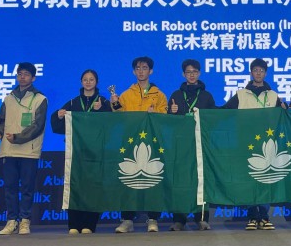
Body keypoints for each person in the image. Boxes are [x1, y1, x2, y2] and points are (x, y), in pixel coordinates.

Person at [222, 58, 287, 230]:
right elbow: (223, 112)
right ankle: (252, 216)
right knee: (249, 179)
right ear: (251, 72)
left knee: (266, 178)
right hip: (246, 143)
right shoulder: (241, 94)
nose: (258, 73)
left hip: (267, 143)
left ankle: (264, 216)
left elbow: (283, 114)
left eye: (261, 70)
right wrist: (201, 111)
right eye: (255, 70)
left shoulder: (273, 95)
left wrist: (290, 109)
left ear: (265, 73)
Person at [51, 69, 112, 235]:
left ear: (96, 82)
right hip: (76, 153)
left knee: (93, 187)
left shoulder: (104, 102)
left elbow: (111, 125)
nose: (88, 82)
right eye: (85, 79)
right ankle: (73, 224)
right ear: (81, 82)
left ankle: (89, 224)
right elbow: (57, 125)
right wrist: (59, 115)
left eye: (91, 79)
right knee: (75, 186)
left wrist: (101, 110)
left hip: (96, 153)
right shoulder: (72, 103)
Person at [112, 56, 167, 233]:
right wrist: (114, 104)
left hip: (152, 144)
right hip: (130, 143)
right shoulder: (126, 95)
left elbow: (164, 119)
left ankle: (153, 218)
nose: (141, 71)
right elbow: (119, 118)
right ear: (134, 71)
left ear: (151, 71)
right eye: (138, 68)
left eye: (144, 68)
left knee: (154, 181)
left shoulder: (159, 95)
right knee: (128, 181)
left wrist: (154, 113)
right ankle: (127, 219)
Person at [0, 62, 48, 236]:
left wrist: (18, 137)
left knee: (27, 188)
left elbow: (38, 126)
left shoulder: (40, 99)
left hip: (29, 151)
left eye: (26, 74)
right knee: (10, 188)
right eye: (20, 74)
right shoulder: (8, 98)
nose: (22, 77)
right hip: (9, 149)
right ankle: (11, 221)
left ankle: (25, 220)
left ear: (33, 78)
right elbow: (1, 121)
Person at [168, 59, 216, 231]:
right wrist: (171, 112)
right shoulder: (176, 95)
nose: (192, 74)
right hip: (181, 145)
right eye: (188, 72)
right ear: (183, 74)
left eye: (195, 71)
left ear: (199, 73)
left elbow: (213, 120)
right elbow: (168, 122)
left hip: (200, 144)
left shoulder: (206, 96)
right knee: (180, 180)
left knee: (201, 180)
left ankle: (201, 218)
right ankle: (179, 220)